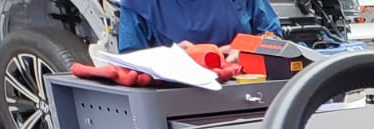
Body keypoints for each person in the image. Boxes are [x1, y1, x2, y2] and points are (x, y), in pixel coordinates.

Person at [117, 0, 281, 52]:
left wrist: (247, 49)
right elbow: (129, 64)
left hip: (245, 93)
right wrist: (169, 57)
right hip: (174, 100)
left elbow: (275, 41)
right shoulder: (138, 4)